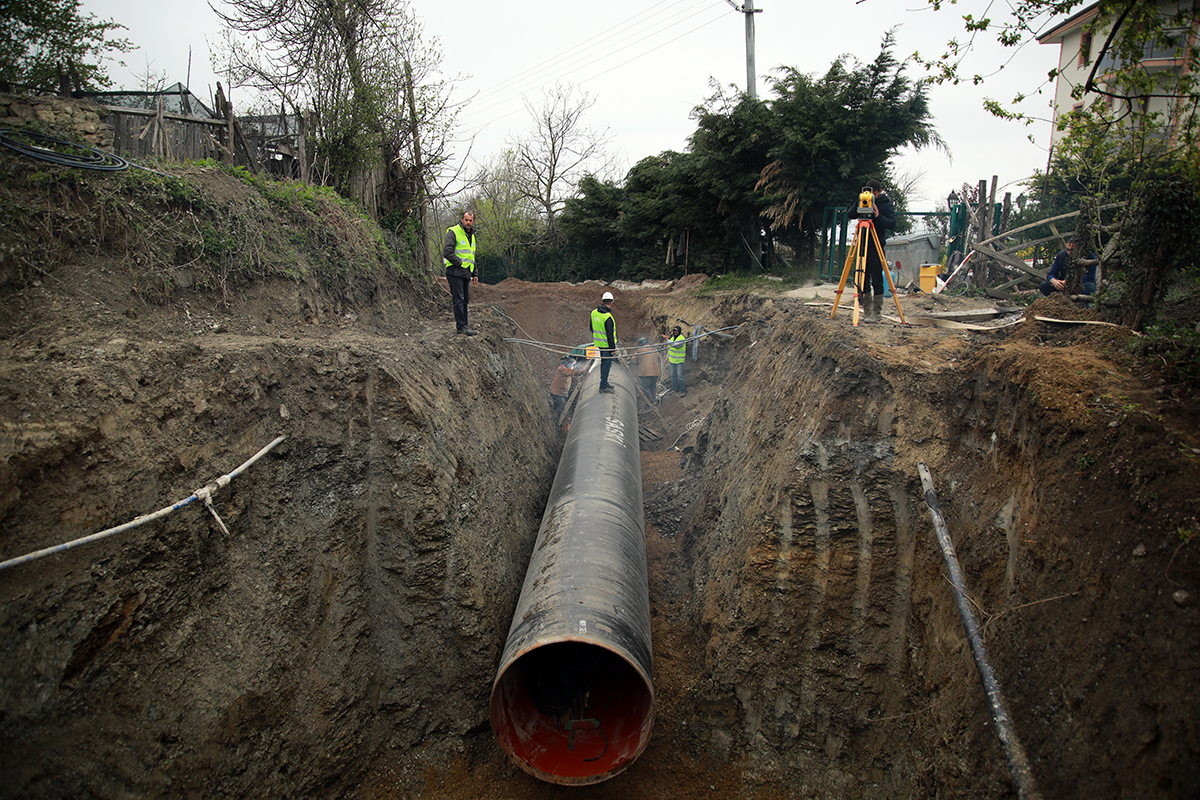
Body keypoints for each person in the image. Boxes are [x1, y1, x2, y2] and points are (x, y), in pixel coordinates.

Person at [849, 179, 896, 323]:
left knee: (876, 279)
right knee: (862, 278)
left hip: (876, 246)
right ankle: (867, 312)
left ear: (879, 192)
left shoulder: (886, 204)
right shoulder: (863, 199)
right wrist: (860, 202)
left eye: (873, 194)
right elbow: (850, 214)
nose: (871, 197)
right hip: (863, 244)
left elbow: (892, 223)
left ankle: (877, 314)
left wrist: (878, 216)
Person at [443, 211, 479, 335]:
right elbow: (447, 251)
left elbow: (471, 255)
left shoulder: (472, 236)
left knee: (465, 300)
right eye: (466, 220)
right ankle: (461, 326)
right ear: (462, 220)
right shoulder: (453, 232)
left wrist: (475, 272)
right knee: (459, 299)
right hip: (455, 271)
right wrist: (459, 263)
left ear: (473, 222)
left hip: (466, 272)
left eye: (470, 220)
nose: (468, 222)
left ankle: (465, 325)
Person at [591, 291, 618, 394]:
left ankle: (604, 382)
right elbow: (610, 336)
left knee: (603, 364)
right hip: (607, 346)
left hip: (599, 344)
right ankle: (603, 387)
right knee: (606, 366)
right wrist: (612, 349)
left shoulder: (594, 312)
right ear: (611, 303)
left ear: (602, 302)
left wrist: (598, 337)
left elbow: (591, 327)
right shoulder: (608, 317)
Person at [633, 337, 660, 401]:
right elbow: (658, 358)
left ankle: (651, 401)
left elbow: (633, 360)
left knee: (644, 387)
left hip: (646, 373)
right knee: (653, 386)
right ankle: (653, 398)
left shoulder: (639, 350)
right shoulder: (653, 350)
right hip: (656, 373)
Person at [667, 325, 687, 397]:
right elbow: (670, 348)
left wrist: (667, 340)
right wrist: (667, 357)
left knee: (679, 375)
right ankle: (675, 389)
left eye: (677, 331)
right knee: (673, 375)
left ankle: (683, 390)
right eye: (674, 331)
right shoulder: (672, 338)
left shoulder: (681, 339)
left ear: (679, 332)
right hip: (672, 360)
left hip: (679, 361)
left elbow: (675, 345)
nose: (675, 332)